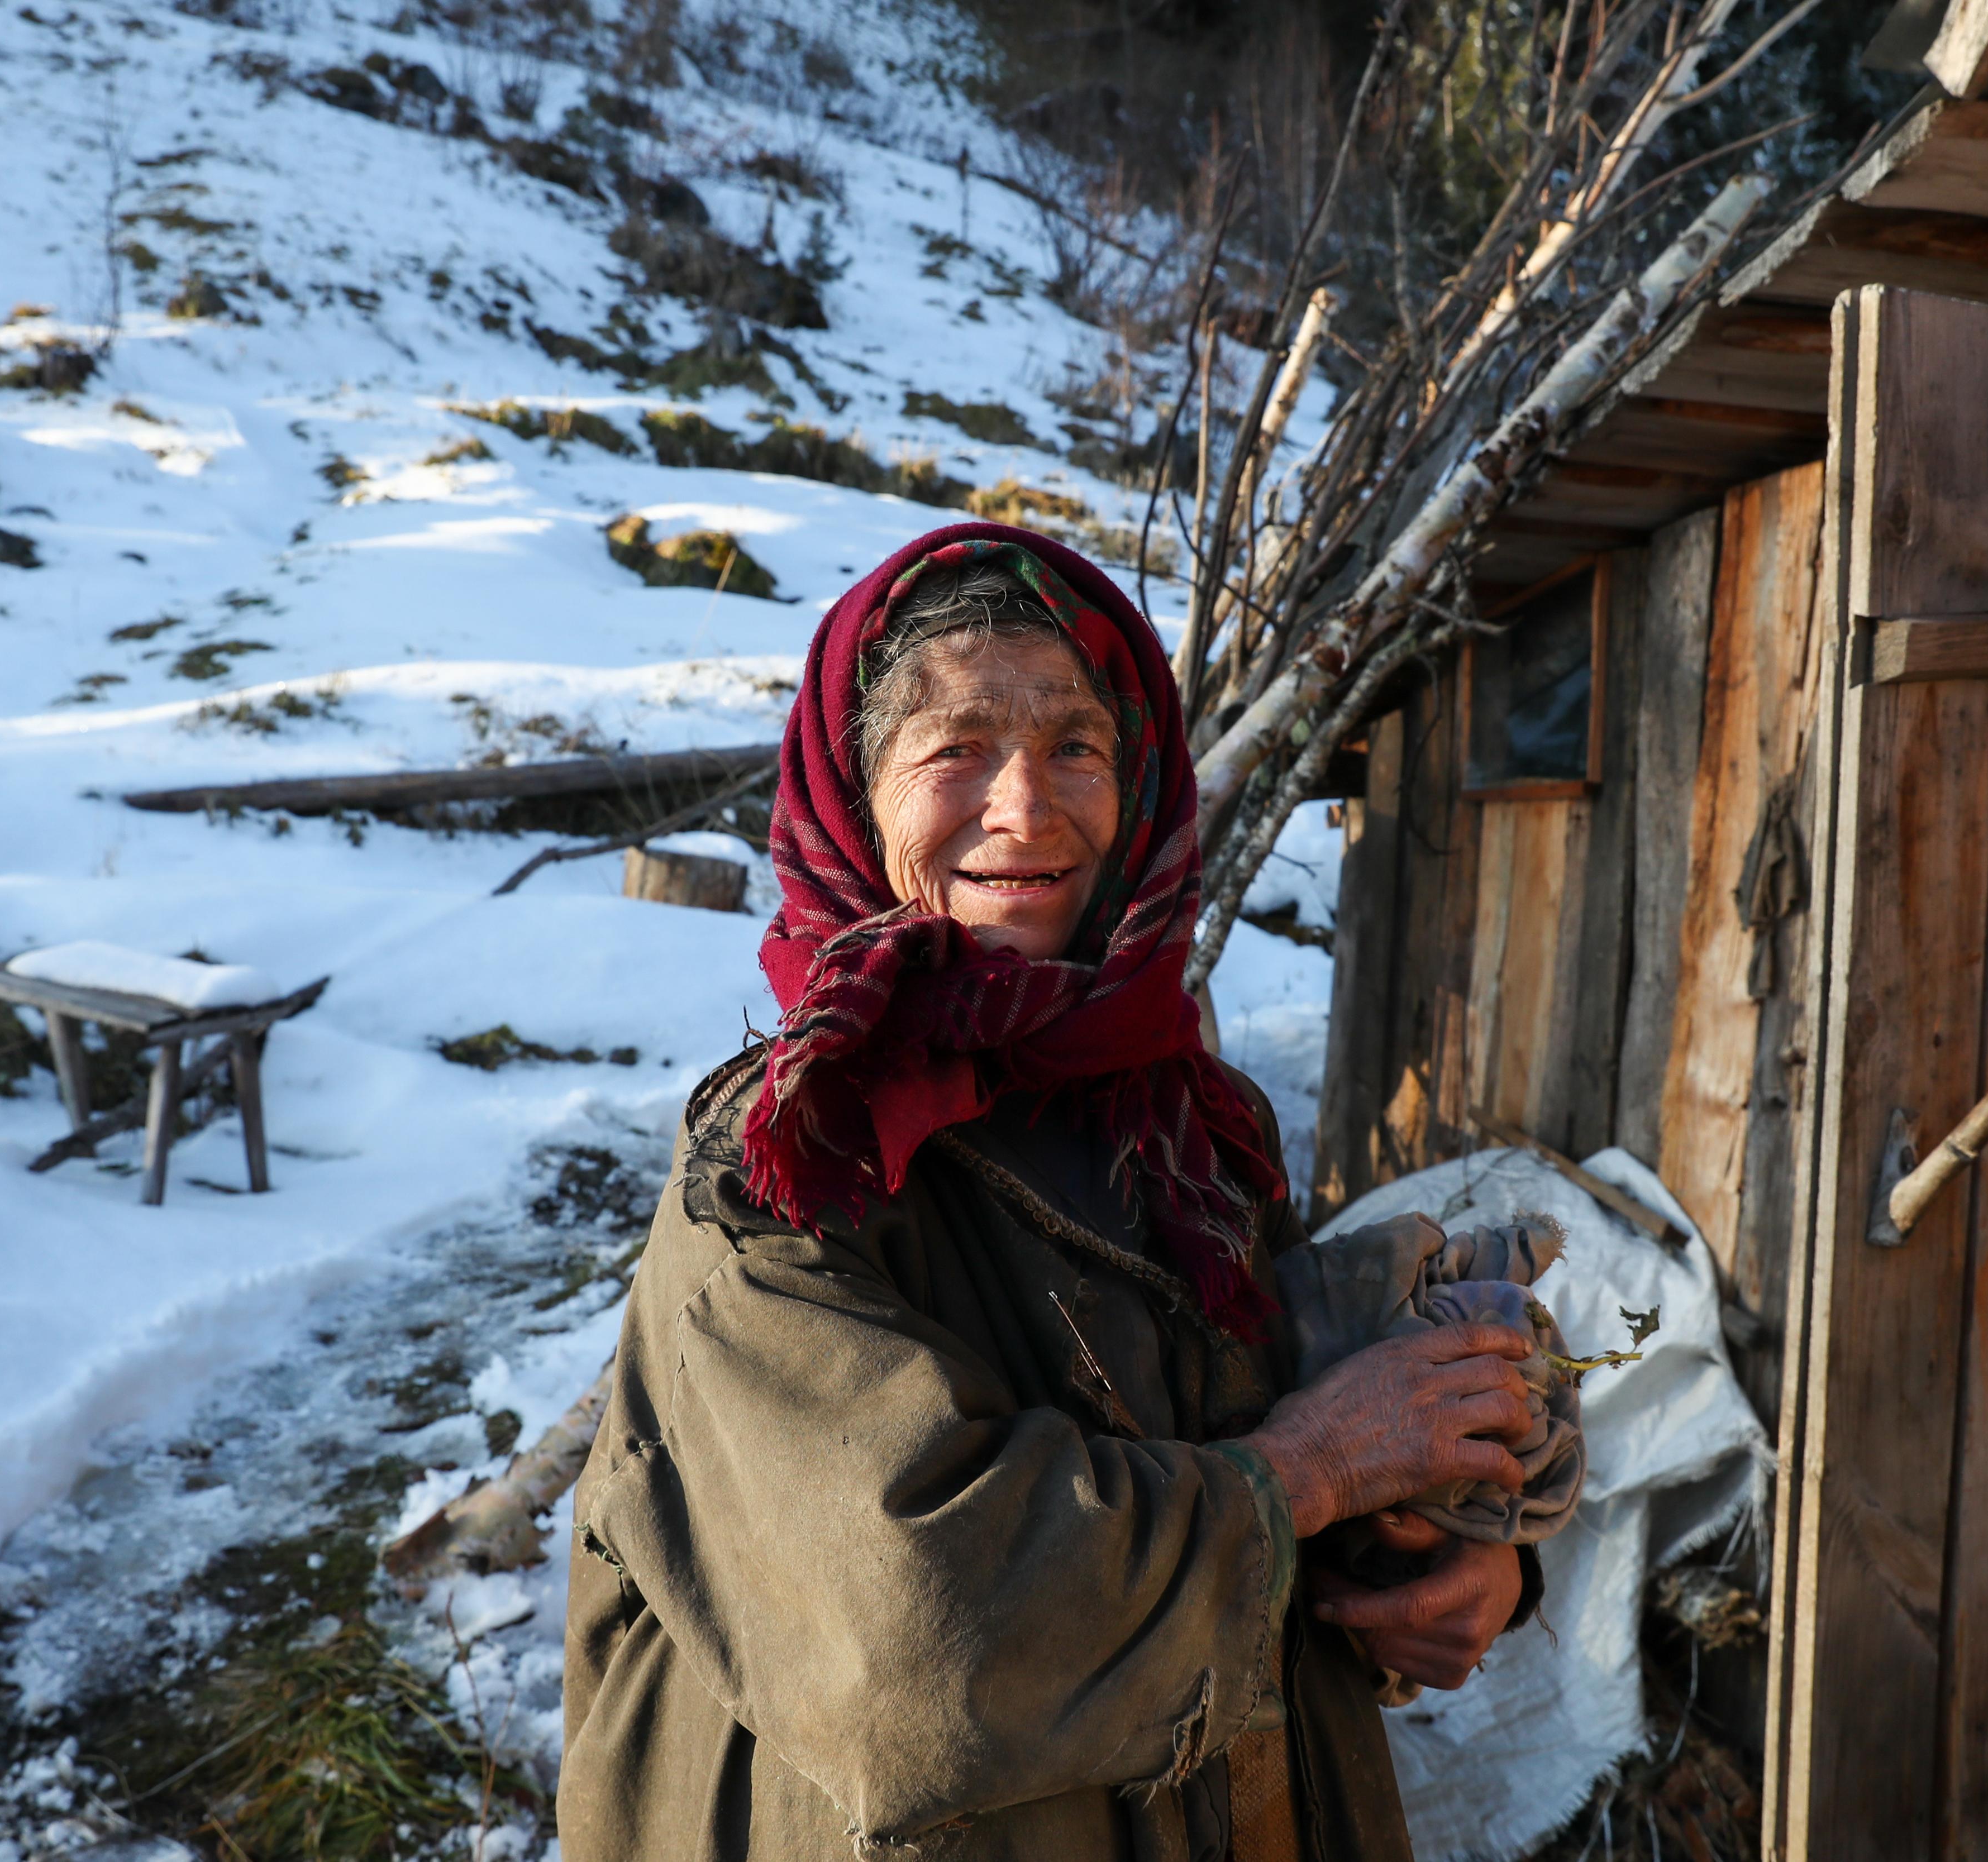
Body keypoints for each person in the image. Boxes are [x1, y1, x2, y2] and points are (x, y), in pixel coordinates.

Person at [559, 522, 1547, 1862]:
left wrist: (1439, 1562)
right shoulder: (792, 1168)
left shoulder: (1189, 1124)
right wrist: (1311, 1470)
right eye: (955, 747)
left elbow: (1252, 1446)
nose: (1025, 809)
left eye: (1076, 745)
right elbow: (921, 1645)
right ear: (852, 791)